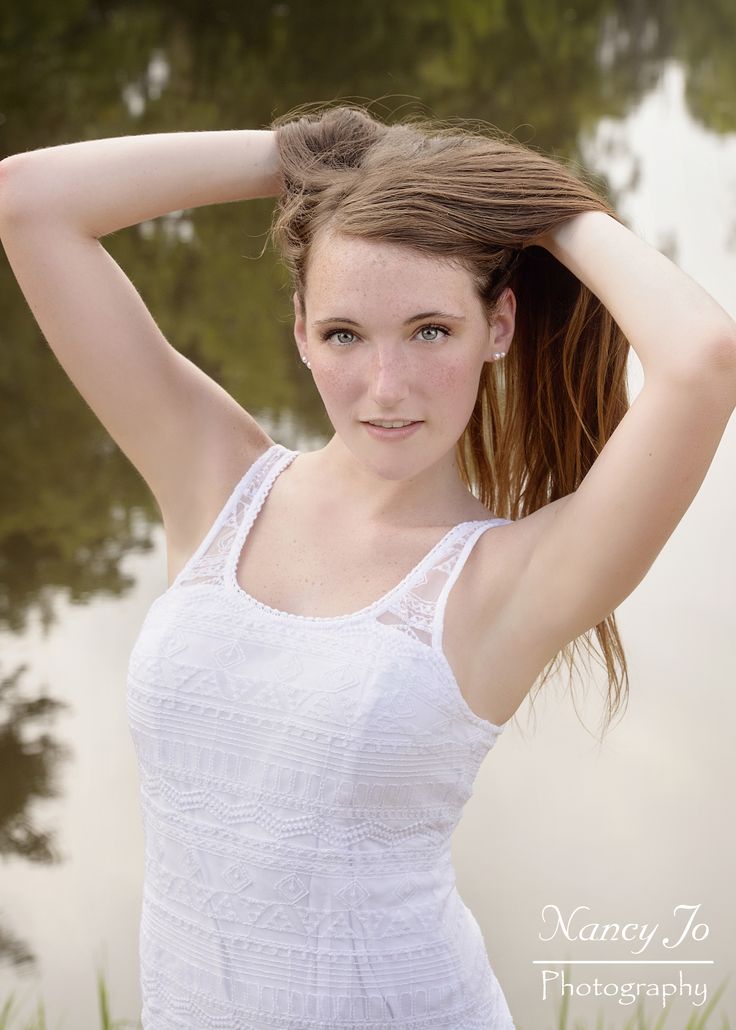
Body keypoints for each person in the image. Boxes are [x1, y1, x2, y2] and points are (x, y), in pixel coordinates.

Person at [1, 104, 734, 1029]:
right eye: (347, 334)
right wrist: (315, 161)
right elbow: (30, 202)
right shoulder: (217, 485)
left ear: (497, 326)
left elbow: (702, 358)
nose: (385, 388)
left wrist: (532, 204)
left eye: (430, 330)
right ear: (301, 330)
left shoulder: (507, 581)